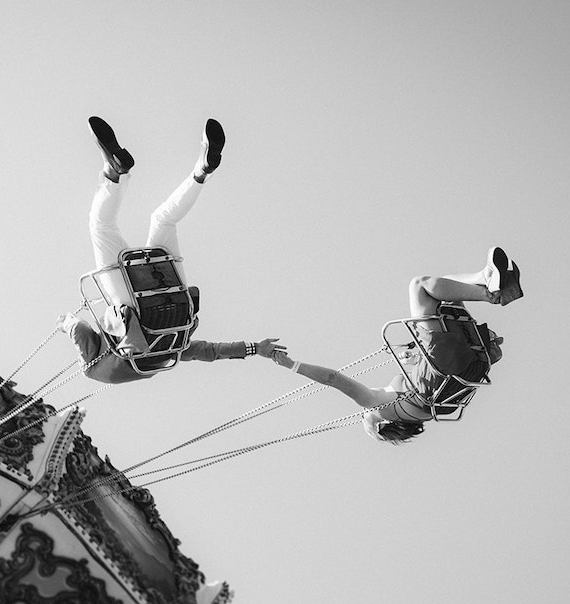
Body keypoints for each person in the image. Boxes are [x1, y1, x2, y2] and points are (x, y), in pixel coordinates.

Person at [59, 116, 284, 384]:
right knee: (101, 227)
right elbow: (82, 331)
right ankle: (114, 173)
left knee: (164, 220)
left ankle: (202, 171)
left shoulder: (173, 345)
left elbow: (210, 351)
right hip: (137, 308)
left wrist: (255, 348)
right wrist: (66, 322)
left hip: (176, 306)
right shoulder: (92, 369)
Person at [269, 247, 522, 444]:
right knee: (420, 286)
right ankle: (490, 294)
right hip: (443, 363)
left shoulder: (420, 410)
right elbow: (332, 378)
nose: (362, 415)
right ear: (379, 426)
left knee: (444, 288)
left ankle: (487, 278)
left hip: (469, 365)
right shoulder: (378, 406)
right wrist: (292, 365)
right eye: (364, 421)